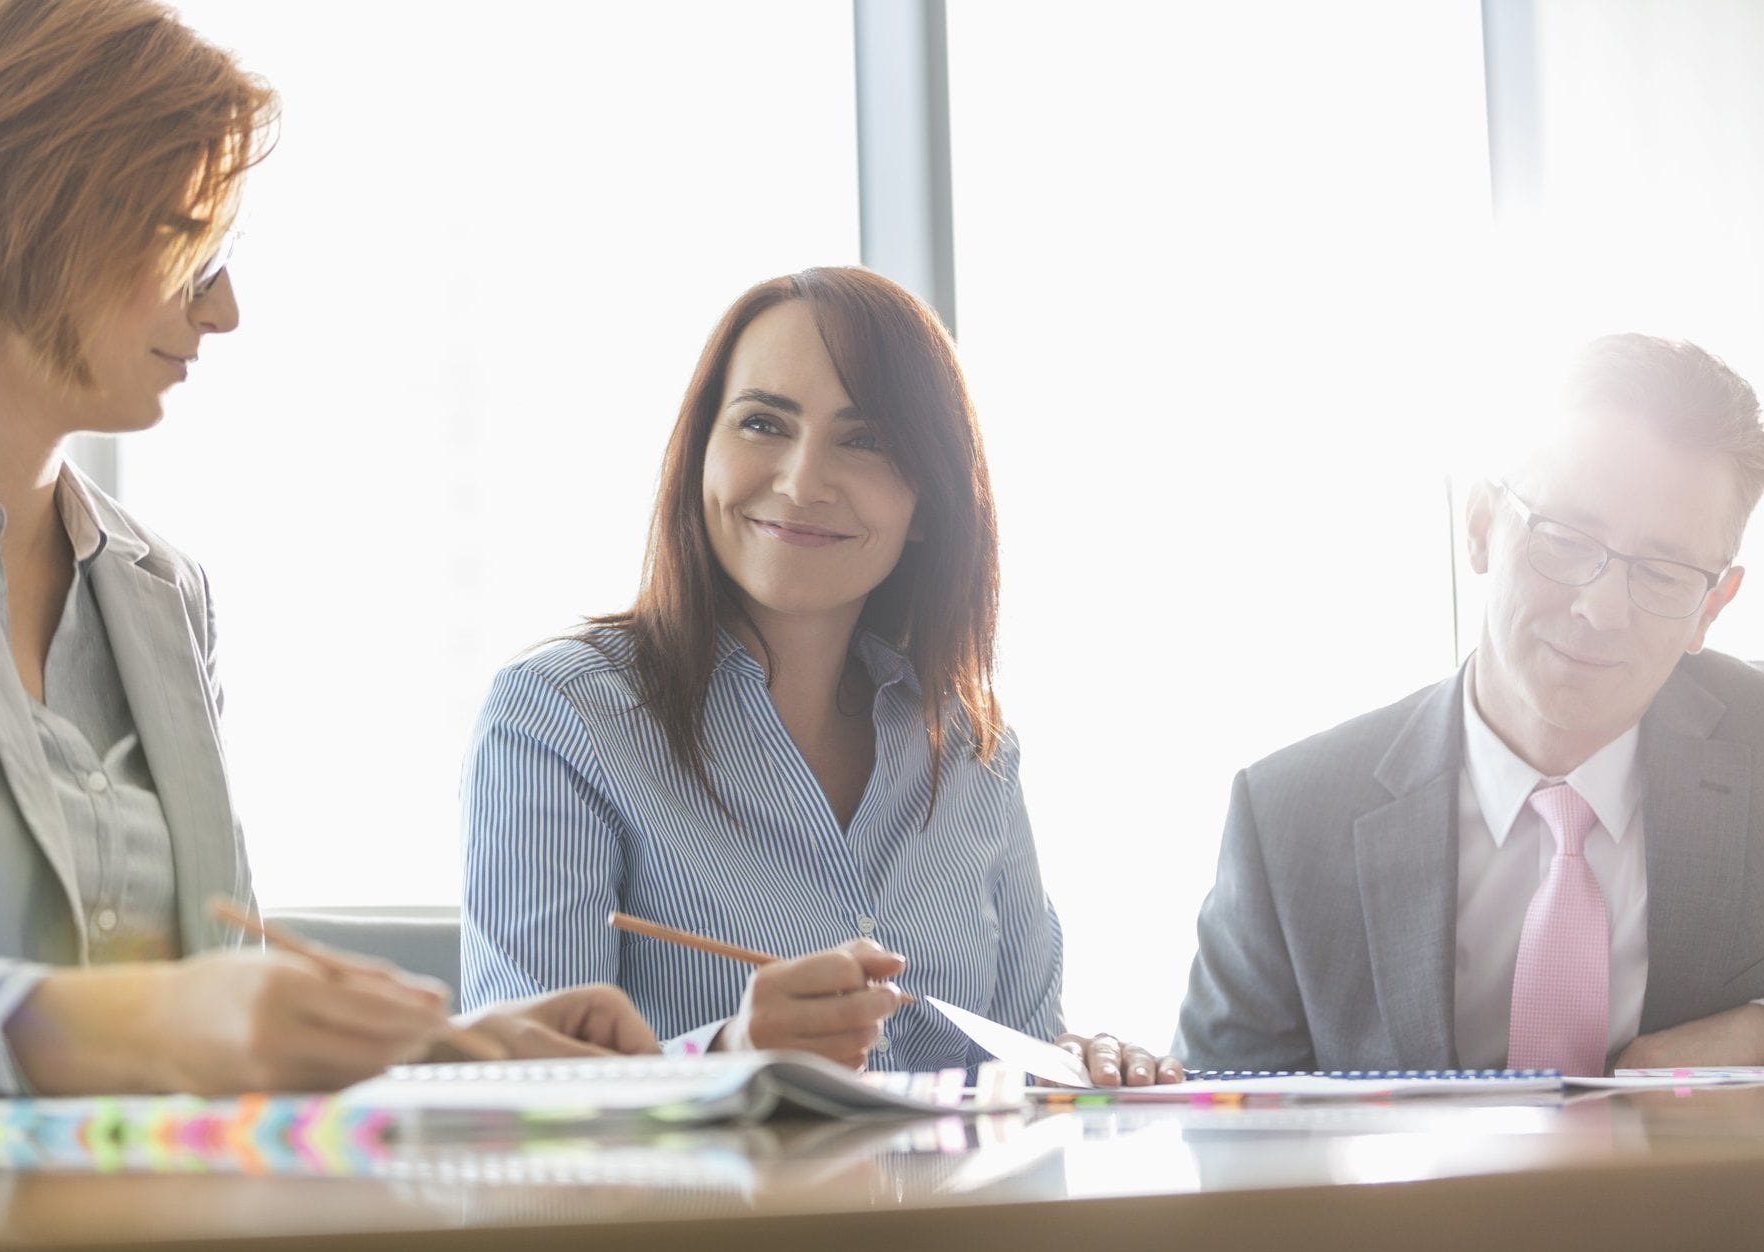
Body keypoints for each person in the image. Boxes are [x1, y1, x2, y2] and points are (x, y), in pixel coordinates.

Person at [0, 0, 656, 1112]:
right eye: (189, 243)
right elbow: (159, 1020)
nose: (227, 309)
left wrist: (442, 1047)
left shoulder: (164, 592)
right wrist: (115, 1023)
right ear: (31, 204)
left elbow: (211, 996)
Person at [462, 266, 1178, 1086]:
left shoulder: (973, 747)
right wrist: (728, 1058)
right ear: (702, 454)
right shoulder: (561, 719)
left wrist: (1080, 1064)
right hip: (703, 1217)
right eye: (763, 423)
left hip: (962, 1217)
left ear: (928, 503)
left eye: (864, 439)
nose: (801, 483)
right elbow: (513, 1104)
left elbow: (1021, 1065)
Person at [1176, 333, 1764, 1076]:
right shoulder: (1290, 821)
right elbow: (1215, 1133)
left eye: (1663, 573)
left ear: (1713, 604)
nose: (1601, 607)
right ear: (1483, 523)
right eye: (1567, 536)